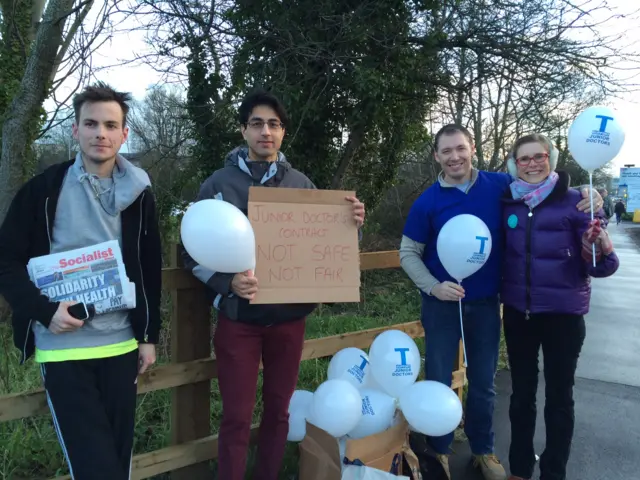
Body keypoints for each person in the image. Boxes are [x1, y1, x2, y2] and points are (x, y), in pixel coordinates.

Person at [399, 125, 602, 480]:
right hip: (442, 306)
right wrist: (433, 287)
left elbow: (545, 189)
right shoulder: (427, 201)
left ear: (472, 148)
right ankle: (440, 450)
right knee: (438, 379)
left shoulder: (499, 186)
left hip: (486, 304)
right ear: (436, 156)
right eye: (446, 151)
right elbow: (407, 252)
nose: (454, 157)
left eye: (460, 148)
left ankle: (482, 450)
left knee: (483, 382)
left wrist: (592, 194)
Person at [182, 89, 365, 480]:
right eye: (257, 123)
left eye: (274, 124)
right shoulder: (217, 185)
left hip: (288, 321)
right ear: (243, 129)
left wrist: (352, 224)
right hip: (238, 321)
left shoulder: (301, 183)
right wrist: (226, 283)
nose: (266, 131)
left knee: (278, 410)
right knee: (236, 415)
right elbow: (191, 253)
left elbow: (330, 247)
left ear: (283, 132)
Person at [0, 82, 162, 480]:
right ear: (75, 130)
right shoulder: (42, 191)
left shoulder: (141, 194)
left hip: (121, 345)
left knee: (117, 463)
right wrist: (43, 311)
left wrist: (148, 335)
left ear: (125, 134)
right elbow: (5, 261)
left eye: (110, 125)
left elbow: (149, 266)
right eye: (90, 123)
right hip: (63, 350)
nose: (100, 133)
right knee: (94, 468)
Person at [501, 134, 619, 480]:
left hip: (563, 318)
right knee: (521, 397)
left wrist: (600, 247)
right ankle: (520, 469)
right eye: (524, 159)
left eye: (540, 156)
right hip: (519, 314)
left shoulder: (578, 203)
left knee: (559, 399)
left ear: (551, 158)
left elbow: (601, 266)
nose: (533, 164)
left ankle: (554, 472)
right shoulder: (507, 202)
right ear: (513, 165)